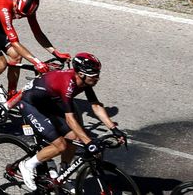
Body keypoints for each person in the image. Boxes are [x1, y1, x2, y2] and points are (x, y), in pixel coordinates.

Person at [15, 53, 121, 191]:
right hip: (31, 105)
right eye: (94, 75)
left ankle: (62, 174)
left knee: (75, 138)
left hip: (49, 104)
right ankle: (27, 165)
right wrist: (88, 143)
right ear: (81, 74)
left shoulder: (84, 81)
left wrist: (114, 129)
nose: (97, 78)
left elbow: (96, 106)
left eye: (98, 74)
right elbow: (70, 119)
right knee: (61, 145)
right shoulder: (68, 83)